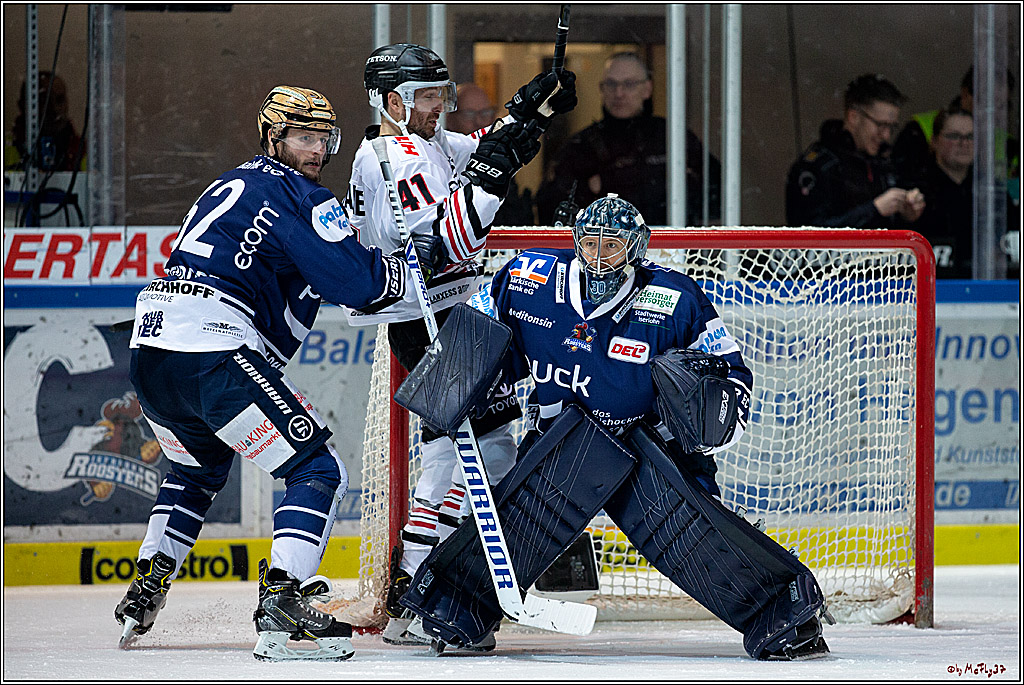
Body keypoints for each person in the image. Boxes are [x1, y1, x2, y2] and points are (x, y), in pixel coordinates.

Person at [398, 195, 832, 660]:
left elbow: (733, 376)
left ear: (637, 246)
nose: (600, 255)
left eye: (613, 245)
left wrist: (714, 415)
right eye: (591, 243)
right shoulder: (528, 279)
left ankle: (786, 617)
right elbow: (475, 336)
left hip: (648, 443)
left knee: (695, 538)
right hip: (561, 439)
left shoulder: (676, 298)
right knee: (514, 530)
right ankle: (456, 611)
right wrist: (449, 383)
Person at [114, 85, 446, 662]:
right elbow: (361, 285)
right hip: (209, 349)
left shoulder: (231, 181)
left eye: (323, 138)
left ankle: (147, 583)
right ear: (274, 137)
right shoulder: (301, 196)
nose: (316, 149)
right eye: (303, 136)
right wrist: (420, 255)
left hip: (152, 352)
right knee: (317, 468)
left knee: (197, 470)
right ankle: (282, 606)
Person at [343, 43, 577, 647]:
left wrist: (532, 110)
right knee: (481, 454)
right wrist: (496, 172)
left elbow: (490, 151)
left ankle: (414, 594)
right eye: (426, 97)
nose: (438, 106)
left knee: (462, 455)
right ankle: (420, 591)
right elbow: (452, 238)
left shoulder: (429, 141)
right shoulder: (391, 155)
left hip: (451, 313)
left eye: (440, 94)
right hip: (424, 320)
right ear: (391, 102)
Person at [536, 52, 721, 227]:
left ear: (647, 88)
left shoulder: (673, 138)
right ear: (602, 89)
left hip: (672, 250)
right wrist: (591, 191)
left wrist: (681, 190)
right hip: (607, 253)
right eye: (611, 84)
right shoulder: (582, 147)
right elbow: (549, 209)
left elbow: (719, 195)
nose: (619, 93)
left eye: (629, 84)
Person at [786, 73, 925, 229]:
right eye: (880, 125)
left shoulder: (886, 162)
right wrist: (874, 209)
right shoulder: (818, 166)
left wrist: (908, 214)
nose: (886, 135)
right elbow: (807, 235)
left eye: (892, 127)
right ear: (854, 117)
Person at [446, 82, 536, 226]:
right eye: (469, 114)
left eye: (486, 113)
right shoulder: (439, 158)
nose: (479, 121)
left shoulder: (501, 158)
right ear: (449, 118)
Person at [913, 105, 975, 278]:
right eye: (954, 136)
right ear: (934, 141)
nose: (964, 143)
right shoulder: (916, 190)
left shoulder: (988, 190)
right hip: (929, 285)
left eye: (970, 136)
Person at [6, 71, 84, 172]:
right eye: (44, 101)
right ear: (23, 106)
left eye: (59, 99)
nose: (54, 109)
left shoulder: (85, 152)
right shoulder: (7, 149)